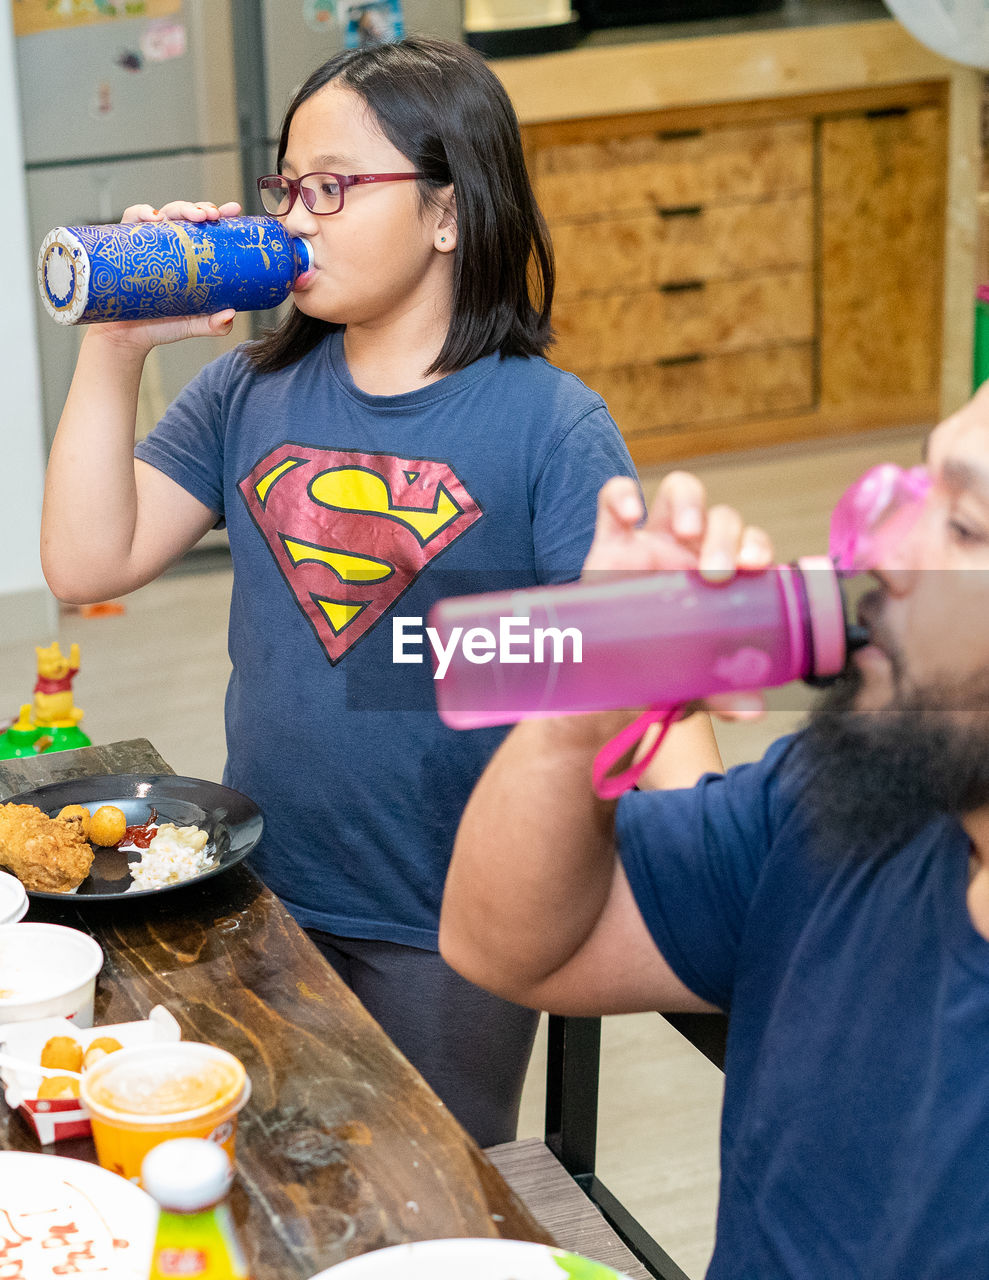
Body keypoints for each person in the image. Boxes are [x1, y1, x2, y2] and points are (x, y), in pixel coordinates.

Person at [39, 36, 698, 1147]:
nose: (296, 217)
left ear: (448, 211)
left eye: (333, 187)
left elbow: (638, 691)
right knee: (261, 1166)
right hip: (258, 885)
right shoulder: (247, 390)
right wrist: (116, 347)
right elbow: (85, 562)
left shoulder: (550, 428)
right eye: (287, 187)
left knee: (423, 1190)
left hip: (451, 924)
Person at [439, 381, 989, 1273]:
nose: (880, 547)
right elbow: (508, 948)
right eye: (920, 490)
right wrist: (592, 684)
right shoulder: (855, 795)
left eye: (961, 528)